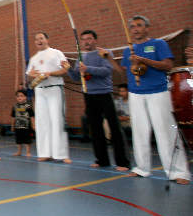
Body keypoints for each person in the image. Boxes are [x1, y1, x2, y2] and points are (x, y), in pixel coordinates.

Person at [116, 15, 190, 184]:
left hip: (158, 92)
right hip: (135, 94)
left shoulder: (158, 44)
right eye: (133, 26)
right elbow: (125, 72)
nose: (135, 28)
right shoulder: (129, 50)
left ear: (147, 28)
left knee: (166, 131)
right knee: (139, 132)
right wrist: (108, 59)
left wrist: (143, 60)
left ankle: (179, 172)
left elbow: (167, 66)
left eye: (139, 25)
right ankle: (141, 168)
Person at [65, 30, 130, 171]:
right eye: (84, 39)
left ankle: (123, 162)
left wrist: (88, 68)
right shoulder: (80, 57)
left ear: (95, 40)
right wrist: (69, 69)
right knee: (95, 129)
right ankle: (102, 160)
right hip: (89, 95)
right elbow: (77, 78)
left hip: (105, 94)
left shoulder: (104, 53)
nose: (86, 42)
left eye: (89, 39)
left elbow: (106, 70)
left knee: (114, 128)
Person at [26, 32, 71, 164]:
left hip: (55, 89)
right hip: (40, 91)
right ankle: (44, 153)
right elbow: (29, 76)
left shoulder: (56, 53)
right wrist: (33, 75)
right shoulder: (34, 58)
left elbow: (65, 69)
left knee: (57, 120)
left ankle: (61, 154)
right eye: (36, 39)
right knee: (42, 122)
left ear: (47, 39)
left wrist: (50, 73)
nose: (39, 41)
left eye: (41, 38)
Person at [11, 89, 34, 157]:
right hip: (18, 126)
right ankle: (19, 152)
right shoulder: (14, 106)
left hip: (26, 126)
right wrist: (12, 125)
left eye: (21, 96)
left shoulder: (28, 106)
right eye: (18, 96)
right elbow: (13, 116)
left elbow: (32, 116)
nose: (19, 97)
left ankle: (28, 152)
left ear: (25, 97)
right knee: (18, 140)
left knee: (27, 140)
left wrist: (33, 124)